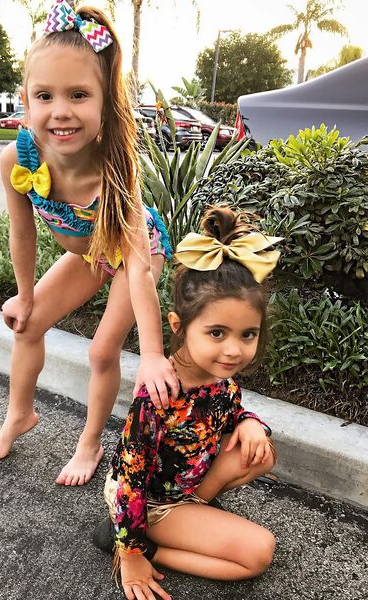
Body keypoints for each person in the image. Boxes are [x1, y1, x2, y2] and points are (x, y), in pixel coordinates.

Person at [0, 0, 179, 485]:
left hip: (135, 254)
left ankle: (89, 442)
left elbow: (137, 267)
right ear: (25, 100)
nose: (60, 111)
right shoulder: (16, 159)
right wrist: (25, 295)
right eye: (44, 96)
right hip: (92, 253)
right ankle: (19, 414)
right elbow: (22, 231)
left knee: (101, 351)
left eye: (78, 95)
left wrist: (152, 353)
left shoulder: (115, 169)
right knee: (27, 325)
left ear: (105, 101)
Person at [94, 206, 282, 600]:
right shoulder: (159, 394)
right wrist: (133, 555)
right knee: (258, 554)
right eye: (217, 333)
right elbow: (130, 481)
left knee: (261, 452)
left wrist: (250, 423)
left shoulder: (216, 375)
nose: (234, 350)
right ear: (179, 326)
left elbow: (230, 412)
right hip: (148, 503)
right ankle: (135, 544)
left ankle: (195, 512)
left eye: (247, 334)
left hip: (183, 487)